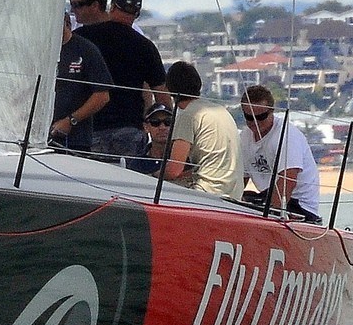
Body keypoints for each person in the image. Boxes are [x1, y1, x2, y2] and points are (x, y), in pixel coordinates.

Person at [70, 0, 168, 160]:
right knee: (126, 184)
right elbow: (162, 96)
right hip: (129, 129)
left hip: (91, 127)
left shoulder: (81, 38)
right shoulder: (145, 46)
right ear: (136, 15)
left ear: (113, 7)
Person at [158, 61, 243, 198]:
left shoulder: (188, 115)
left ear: (169, 89)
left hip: (207, 192)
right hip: (234, 192)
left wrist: (152, 175)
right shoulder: (220, 110)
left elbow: (174, 170)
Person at [240, 84, 322, 223]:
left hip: (298, 205)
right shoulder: (244, 136)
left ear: (272, 112)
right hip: (266, 197)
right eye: (249, 117)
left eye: (261, 117)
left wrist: (273, 215)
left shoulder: (287, 134)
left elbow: (288, 178)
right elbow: (241, 178)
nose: (255, 123)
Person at [50, 12, 112, 152]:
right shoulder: (41, 50)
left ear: (68, 25)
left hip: (75, 138)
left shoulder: (86, 50)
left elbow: (102, 95)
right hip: (40, 134)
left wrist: (71, 120)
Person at [127, 102, 173, 175]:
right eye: (155, 122)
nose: (162, 127)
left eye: (168, 122)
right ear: (146, 127)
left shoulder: (183, 159)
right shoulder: (137, 163)